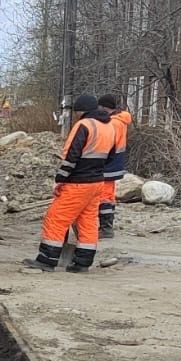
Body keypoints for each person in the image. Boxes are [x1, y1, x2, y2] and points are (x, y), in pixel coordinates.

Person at [28, 93, 114, 273]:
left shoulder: (83, 125)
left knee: (56, 218)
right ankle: (82, 263)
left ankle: (47, 260)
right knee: (88, 221)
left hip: (78, 182)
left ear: (81, 111)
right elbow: (111, 157)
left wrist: (60, 180)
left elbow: (71, 157)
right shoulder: (109, 127)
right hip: (97, 182)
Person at [97, 92, 132, 238]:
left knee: (104, 196)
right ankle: (106, 226)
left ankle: (106, 229)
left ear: (104, 107)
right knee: (108, 195)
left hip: (107, 163)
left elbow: (106, 143)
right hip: (115, 163)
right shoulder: (121, 120)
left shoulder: (112, 123)